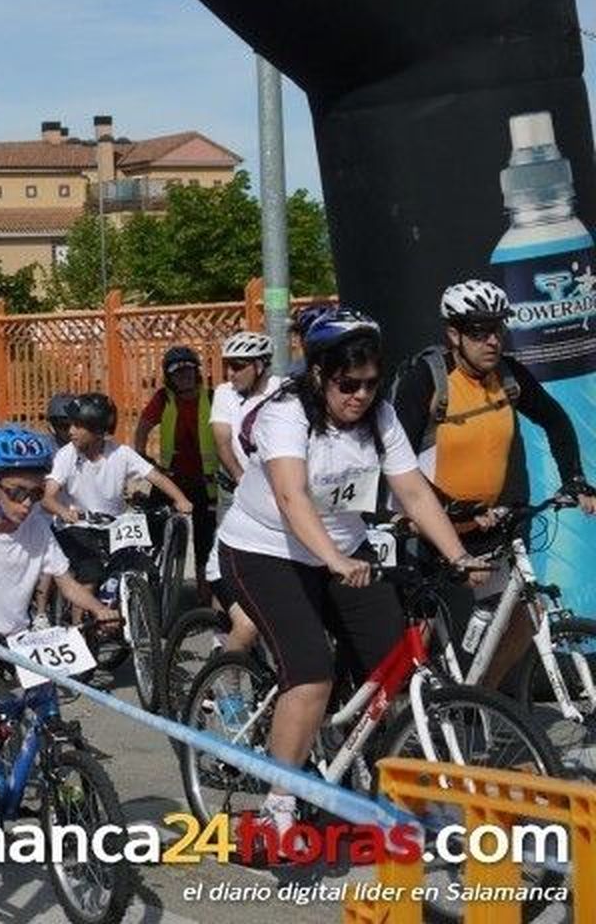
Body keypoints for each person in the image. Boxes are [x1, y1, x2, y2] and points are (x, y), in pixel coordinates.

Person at [215, 309, 487, 838]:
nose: (360, 395)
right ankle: (279, 801)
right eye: (347, 384)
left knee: (395, 663)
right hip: (265, 551)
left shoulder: (379, 417)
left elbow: (412, 489)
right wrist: (336, 562)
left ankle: (369, 767)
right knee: (311, 669)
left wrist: (458, 556)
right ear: (318, 374)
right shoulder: (286, 414)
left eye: (369, 383)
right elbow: (293, 499)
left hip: (344, 550)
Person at [392, 279, 596, 687]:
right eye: (479, 332)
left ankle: (478, 703)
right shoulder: (428, 380)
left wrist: (575, 478)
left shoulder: (507, 375)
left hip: (484, 526)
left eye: (498, 330)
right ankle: (390, 724)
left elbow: (555, 419)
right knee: (420, 636)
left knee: (524, 619)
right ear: (453, 334)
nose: (492, 341)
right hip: (428, 526)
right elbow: (396, 462)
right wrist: (448, 508)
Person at [0, 426, 118, 809]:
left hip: (19, 642)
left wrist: (99, 609)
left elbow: (67, 583)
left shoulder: (39, 528)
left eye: (35, 493)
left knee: (49, 715)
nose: (27, 503)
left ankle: (58, 780)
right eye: (16, 492)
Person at [41, 392, 192, 610]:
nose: (71, 431)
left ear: (98, 431)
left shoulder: (122, 453)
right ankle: (79, 631)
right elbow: (48, 497)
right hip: (77, 526)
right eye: (70, 425)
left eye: (78, 426)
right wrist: (64, 512)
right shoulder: (67, 455)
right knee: (90, 572)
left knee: (141, 565)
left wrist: (181, 500)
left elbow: (155, 476)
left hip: (114, 525)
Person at [134, 345, 219, 603]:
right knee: (150, 529)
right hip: (171, 479)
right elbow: (142, 428)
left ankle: (206, 596)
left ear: (197, 373)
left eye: (188, 370)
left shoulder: (213, 398)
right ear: (169, 377)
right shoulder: (164, 399)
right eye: (177, 373)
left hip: (207, 484)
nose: (184, 376)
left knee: (206, 542)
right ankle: (148, 582)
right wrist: (141, 456)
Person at [207, 331, 282, 606]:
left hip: (275, 490)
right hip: (236, 488)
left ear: (260, 366)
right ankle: (221, 636)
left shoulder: (282, 390)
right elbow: (222, 441)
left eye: (238, 366)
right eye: (227, 365)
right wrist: (240, 478)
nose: (230, 373)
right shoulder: (224, 393)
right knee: (223, 564)